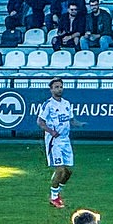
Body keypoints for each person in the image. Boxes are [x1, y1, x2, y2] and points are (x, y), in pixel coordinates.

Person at [40, 78, 75, 208]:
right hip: (54, 141)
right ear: (51, 90)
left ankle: (57, 192)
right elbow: (40, 121)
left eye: (61, 87)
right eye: (56, 87)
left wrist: (80, 124)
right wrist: (51, 131)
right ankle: (54, 197)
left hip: (66, 140)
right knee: (60, 169)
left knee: (68, 171)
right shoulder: (48, 105)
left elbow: (71, 120)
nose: (59, 89)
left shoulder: (66, 103)